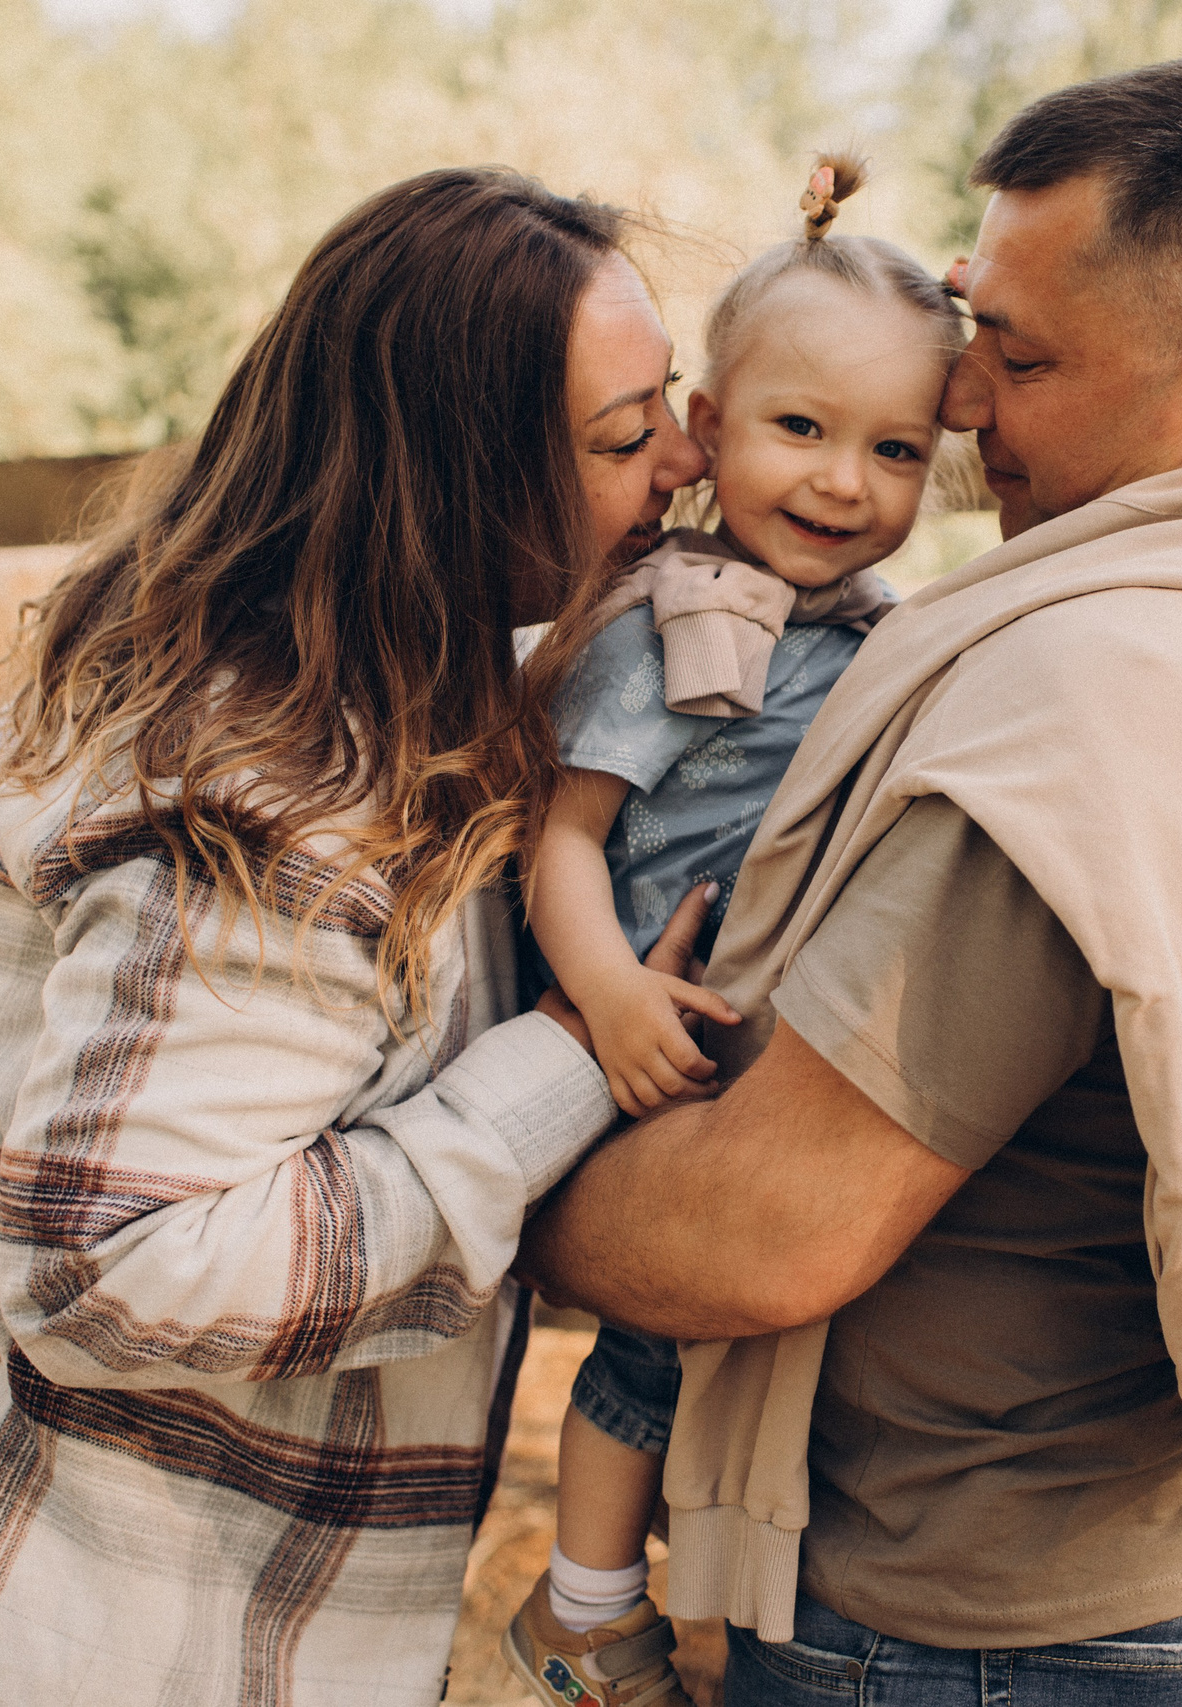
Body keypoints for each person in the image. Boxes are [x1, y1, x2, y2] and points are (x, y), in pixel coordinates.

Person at [521, 52, 1182, 1707]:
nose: (959, 406)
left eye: (1011, 354)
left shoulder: (1089, 703)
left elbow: (755, 1237)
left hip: (965, 1607)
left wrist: (448, 1190)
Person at [0, 167, 709, 1706]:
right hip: (104, 1599)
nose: (687, 463)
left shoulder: (245, 633)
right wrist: (554, 1072)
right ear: (457, 481)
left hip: (48, 1513)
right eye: (626, 437)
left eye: (674, 406)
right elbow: (114, 1267)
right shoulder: (286, 790)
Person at [506, 157, 965, 1707]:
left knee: (751, 1340)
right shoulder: (680, 619)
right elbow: (560, 841)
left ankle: (705, 1605)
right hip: (656, 1036)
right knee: (643, 1346)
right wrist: (610, 1000)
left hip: (778, 1044)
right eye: (801, 430)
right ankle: (582, 1614)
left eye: (893, 447)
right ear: (708, 426)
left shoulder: (884, 634)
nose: (844, 482)